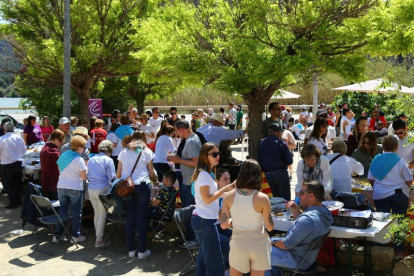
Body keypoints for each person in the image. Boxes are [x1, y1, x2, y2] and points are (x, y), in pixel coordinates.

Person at [266, 181, 333, 276]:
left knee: (256, 255)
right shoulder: (324, 212)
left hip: (295, 258)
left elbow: (286, 244)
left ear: (311, 196)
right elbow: (307, 227)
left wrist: (271, 242)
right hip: (306, 257)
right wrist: (295, 209)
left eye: (301, 193)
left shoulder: (307, 219)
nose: (298, 196)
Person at [221, 159, 273, 276]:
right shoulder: (263, 198)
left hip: (238, 242)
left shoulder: (228, 196)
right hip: (259, 243)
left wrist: (233, 221)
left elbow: (223, 225)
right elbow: (269, 227)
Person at [190, 142, 234, 276]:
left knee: (205, 259)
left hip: (206, 220)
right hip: (204, 221)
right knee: (215, 262)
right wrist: (225, 189)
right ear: (205, 156)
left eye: (218, 153)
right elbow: (207, 199)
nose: (218, 156)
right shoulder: (203, 175)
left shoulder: (207, 174)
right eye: (214, 154)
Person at [368, 135, 413, 259]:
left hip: (380, 195)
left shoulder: (376, 159)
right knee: (399, 223)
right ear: (396, 147)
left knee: (382, 223)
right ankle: (398, 252)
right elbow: (409, 180)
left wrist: (378, 187)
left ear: (382, 146)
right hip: (398, 194)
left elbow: (370, 179)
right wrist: (406, 189)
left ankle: (381, 251)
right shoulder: (400, 161)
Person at [117, 131, 157, 259]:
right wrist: (156, 180)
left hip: (127, 187)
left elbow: (118, 175)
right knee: (141, 218)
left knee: (129, 217)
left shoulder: (123, 151)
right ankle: (141, 251)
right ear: (144, 139)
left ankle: (131, 250)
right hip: (142, 186)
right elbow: (151, 174)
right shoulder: (146, 151)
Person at [168, 120, 201, 248]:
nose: (176, 133)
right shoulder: (193, 138)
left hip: (189, 182)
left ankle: (193, 239)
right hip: (189, 181)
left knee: (189, 212)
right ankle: (194, 238)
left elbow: (195, 162)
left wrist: (178, 160)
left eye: (176, 131)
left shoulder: (191, 141)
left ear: (181, 129)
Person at [54, 136, 88, 243]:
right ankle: (75, 236)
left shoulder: (64, 155)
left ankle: (57, 235)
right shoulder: (79, 159)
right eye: (83, 147)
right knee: (76, 213)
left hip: (61, 186)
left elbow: (59, 169)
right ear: (80, 147)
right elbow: (83, 177)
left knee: (62, 211)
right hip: (74, 187)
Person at [87, 140, 116, 248]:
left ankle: (98, 236)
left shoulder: (91, 159)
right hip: (102, 188)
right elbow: (112, 178)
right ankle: (99, 240)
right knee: (102, 215)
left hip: (91, 188)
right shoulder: (108, 160)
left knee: (97, 214)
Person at [258, 123, 293, 200]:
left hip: (267, 174)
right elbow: (289, 160)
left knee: (275, 198)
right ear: (278, 132)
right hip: (280, 172)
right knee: (285, 199)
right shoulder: (281, 143)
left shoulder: (261, 143)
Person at [0, 122, 26, 208]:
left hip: (6, 165)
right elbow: (24, 151)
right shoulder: (19, 138)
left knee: (9, 185)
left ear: (4, 130)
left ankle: (13, 202)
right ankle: (18, 201)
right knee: (18, 183)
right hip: (18, 163)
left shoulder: (2, 139)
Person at [40, 129, 65, 200]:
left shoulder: (45, 147)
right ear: (56, 139)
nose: (60, 143)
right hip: (53, 182)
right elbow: (62, 166)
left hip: (46, 180)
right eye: (60, 141)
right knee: (56, 203)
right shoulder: (53, 151)